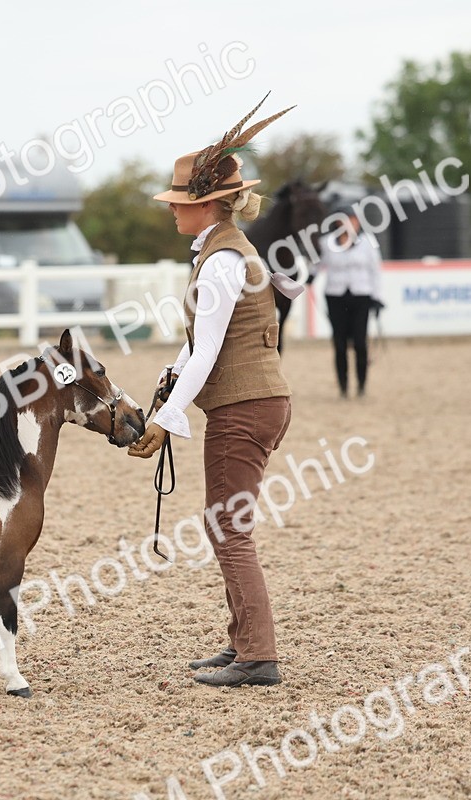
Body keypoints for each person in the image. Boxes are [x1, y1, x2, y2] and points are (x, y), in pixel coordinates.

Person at [127, 96, 305, 688]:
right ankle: (243, 645)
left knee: (229, 527)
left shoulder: (223, 261)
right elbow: (202, 345)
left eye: (180, 203)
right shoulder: (221, 252)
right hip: (250, 401)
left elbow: (208, 352)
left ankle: (258, 655)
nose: (173, 211)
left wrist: (167, 418)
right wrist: (170, 382)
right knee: (223, 522)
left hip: (243, 406)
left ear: (205, 206)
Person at [312, 208, 384, 398]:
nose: (350, 224)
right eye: (346, 220)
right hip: (335, 296)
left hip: (361, 296)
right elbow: (317, 266)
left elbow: (375, 271)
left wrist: (377, 297)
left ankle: (361, 385)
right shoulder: (326, 243)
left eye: (353, 220)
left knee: (360, 342)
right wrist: (308, 276)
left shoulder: (368, 243)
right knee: (339, 343)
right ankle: (343, 387)